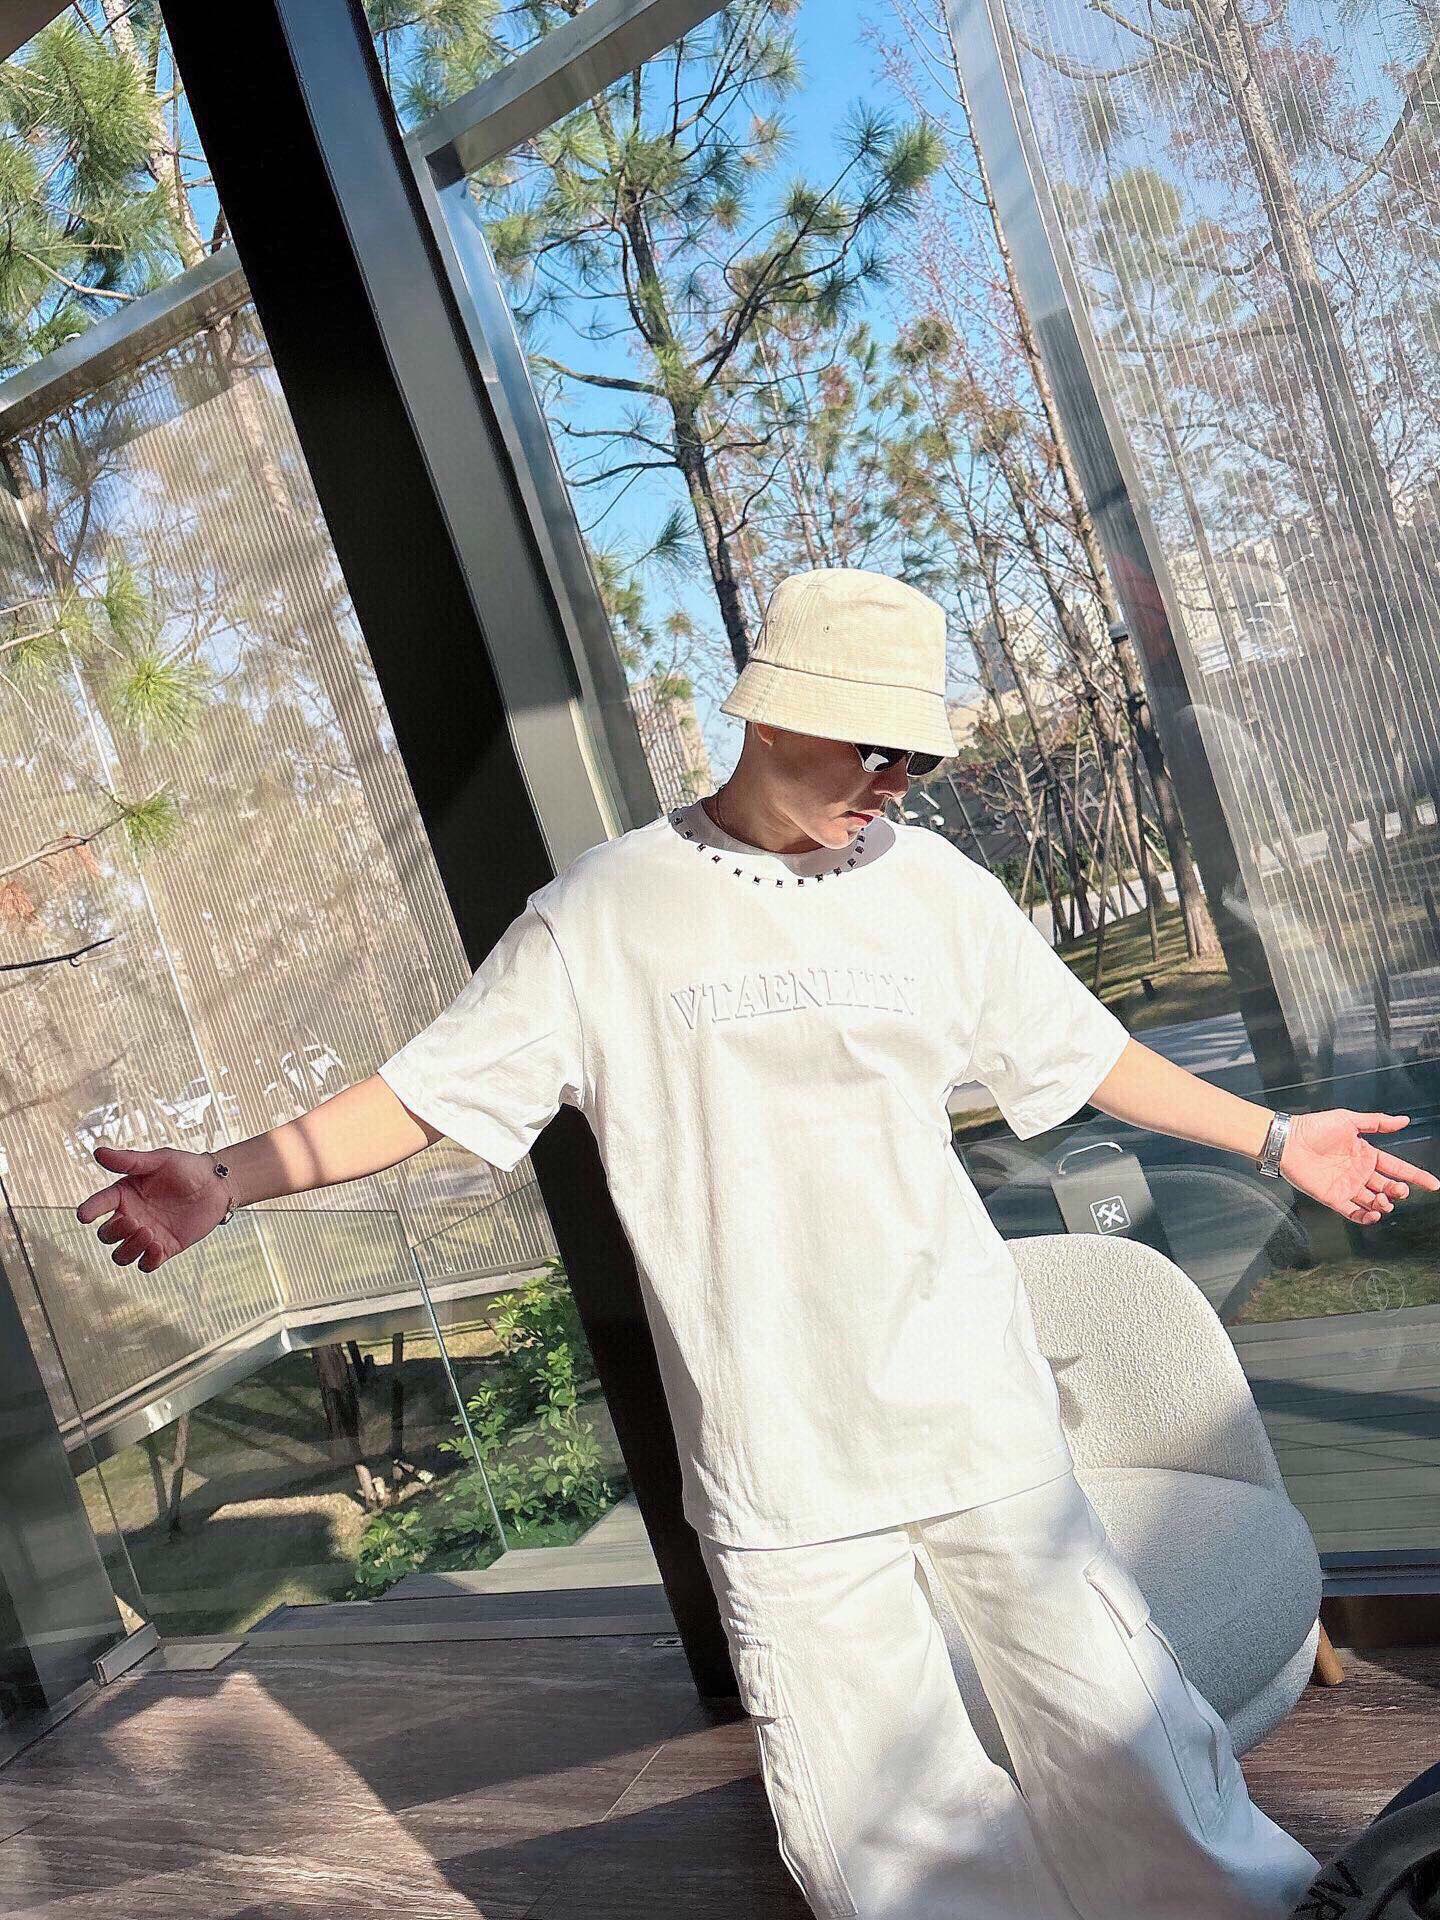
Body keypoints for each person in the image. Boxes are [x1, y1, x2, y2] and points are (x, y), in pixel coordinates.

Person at [77, 566, 1436, 1919]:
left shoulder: (937, 889)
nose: (897, 780)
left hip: (970, 1392)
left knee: (1124, 1726)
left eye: (917, 755)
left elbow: (1089, 1055)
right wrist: (231, 1178)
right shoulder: (605, 913)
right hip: (775, 1440)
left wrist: (1276, 1138)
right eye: (872, 746)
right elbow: (427, 1091)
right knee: (882, 1818)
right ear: (771, 715)